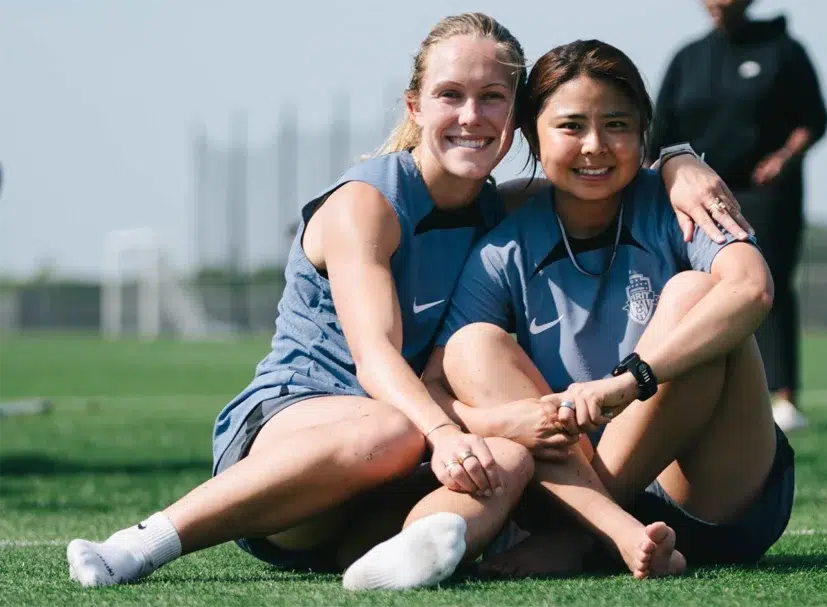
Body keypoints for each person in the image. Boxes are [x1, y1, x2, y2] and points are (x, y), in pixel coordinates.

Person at [65, 14, 750, 591]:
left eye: (492, 99)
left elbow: (594, 173)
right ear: (415, 106)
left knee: (506, 459)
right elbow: (376, 359)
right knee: (395, 430)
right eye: (451, 95)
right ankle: (143, 542)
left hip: (393, 466)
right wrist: (450, 435)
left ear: (517, 123)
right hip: (301, 436)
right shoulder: (367, 202)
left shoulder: (492, 206)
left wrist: (680, 161)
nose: (471, 116)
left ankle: (397, 562)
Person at [422, 39, 794, 579]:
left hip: (704, 496)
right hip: (571, 483)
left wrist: (630, 380)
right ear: (531, 135)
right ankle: (606, 529)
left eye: (617, 125)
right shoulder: (503, 249)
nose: (595, 146)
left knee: (695, 294)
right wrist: (510, 420)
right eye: (571, 126)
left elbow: (752, 289)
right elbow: (437, 385)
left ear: (644, 133)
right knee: (470, 345)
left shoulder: (681, 202)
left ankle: (579, 538)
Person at [648, 0, 827, 431]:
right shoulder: (688, 57)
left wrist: (786, 155)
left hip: (764, 193)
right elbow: (660, 131)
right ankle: (697, 391)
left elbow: (814, 118)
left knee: (769, 283)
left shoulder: (783, 51)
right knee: (696, 288)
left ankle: (784, 397)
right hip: (698, 196)